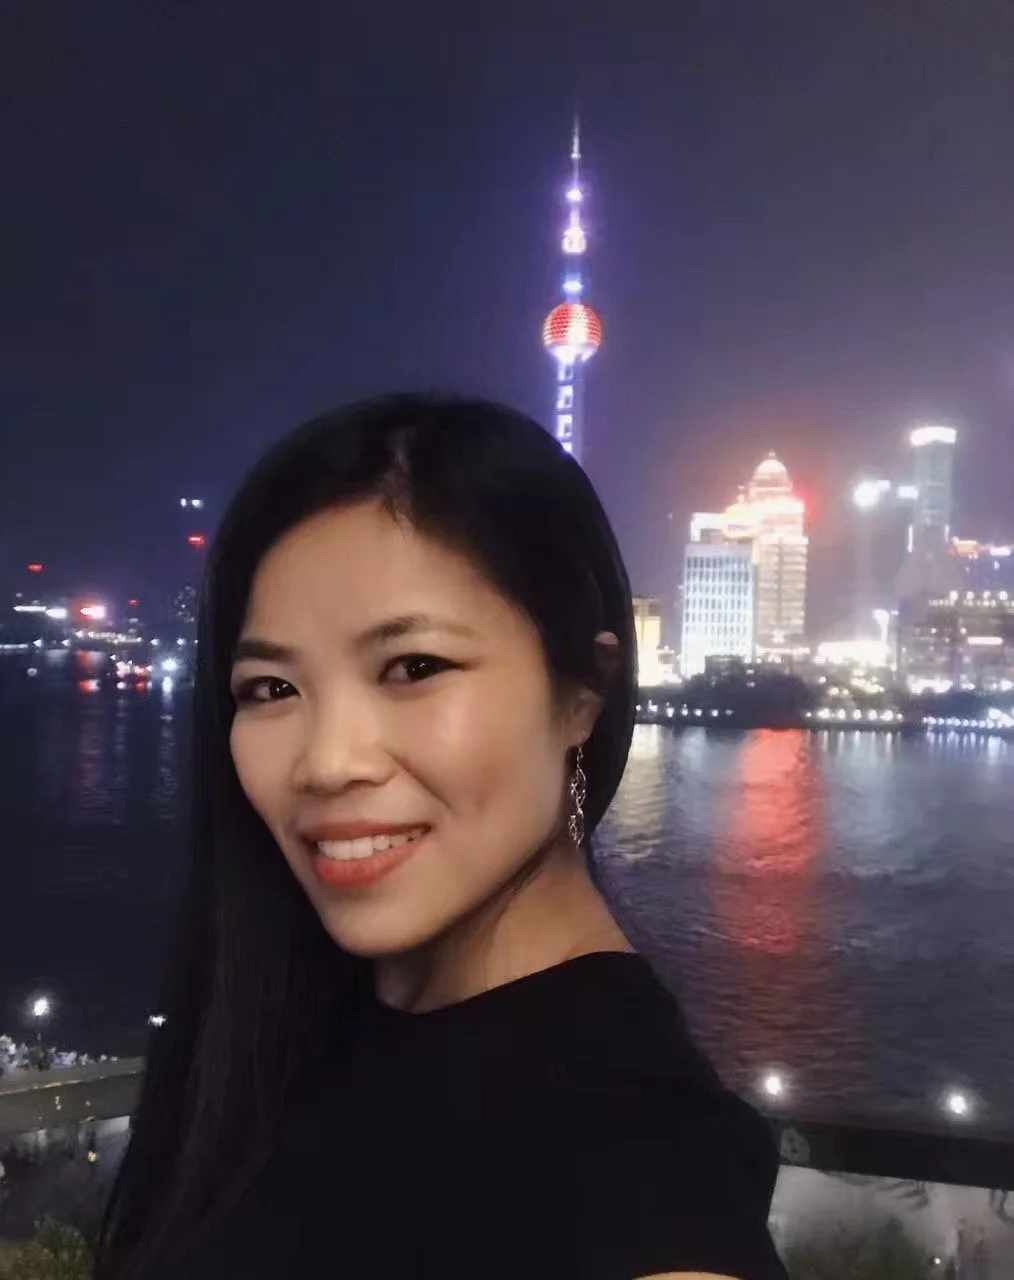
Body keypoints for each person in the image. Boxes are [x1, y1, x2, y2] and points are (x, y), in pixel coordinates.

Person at [95, 395, 788, 1280]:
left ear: (582, 693)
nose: (327, 762)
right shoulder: (278, 1043)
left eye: (415, 668)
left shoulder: (639, 1173)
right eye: (270, 688)